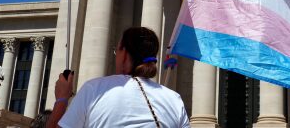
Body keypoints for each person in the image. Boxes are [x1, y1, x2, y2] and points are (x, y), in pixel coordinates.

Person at [46, 27, 190, 128]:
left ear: (125, 54)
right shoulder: (174, 100)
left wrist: (62, 99)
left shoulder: (94, 90)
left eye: (117, 50)